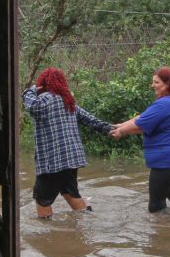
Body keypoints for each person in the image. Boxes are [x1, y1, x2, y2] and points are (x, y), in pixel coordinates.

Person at [23, 67, 113, 218]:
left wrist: (29, 91)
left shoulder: (46, 99)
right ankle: (87, 222)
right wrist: (108, 129)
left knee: (42, 200)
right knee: (70, 193)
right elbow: (89, 119)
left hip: (53, 163)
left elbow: (33, 106)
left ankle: (46, 236)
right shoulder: (67, 100)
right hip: (71, 161)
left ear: (43, 83)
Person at [110, 66, 170, 214]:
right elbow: (143, 117)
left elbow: (140, 126)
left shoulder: (165, 103)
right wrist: (122, 125)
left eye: (156, 82)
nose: (152, 85)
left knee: (156, 206)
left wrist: (121, 132)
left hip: (169, 162)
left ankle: (165, 235)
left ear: (167, 84)